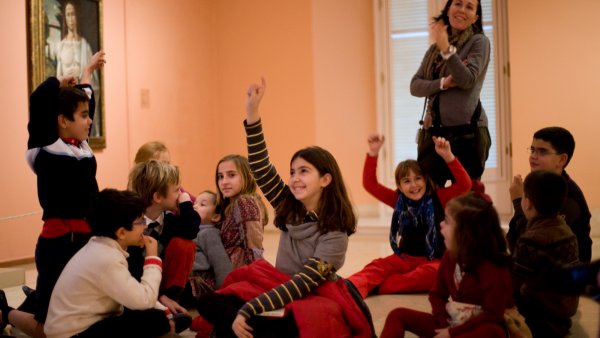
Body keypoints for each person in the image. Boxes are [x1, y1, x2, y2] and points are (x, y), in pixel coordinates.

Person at [193, 78, 373, 338]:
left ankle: (238, 328)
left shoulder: (336, 233)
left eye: (304, 171)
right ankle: (238, 327)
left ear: (325, 179)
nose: (295, 178)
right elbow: (260, 166)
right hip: (277, 283)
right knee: (209, 303)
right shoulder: (289, 203)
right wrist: (252, 113)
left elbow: (302, 284)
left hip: (311, 293)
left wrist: (248, 310)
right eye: (292, 172)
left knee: (306, 324)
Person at [0, 53, 105, 338]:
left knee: (73, 309)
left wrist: (87, 73)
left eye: (87, 115)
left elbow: (87, 102)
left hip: (85, 240)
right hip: (56, 244)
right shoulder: (45, 150)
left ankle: (28, 301)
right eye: (83, 116)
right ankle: (4, 312)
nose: (89, 120)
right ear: (62, 121)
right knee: (47, 321)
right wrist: (57, 82)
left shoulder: (82, 147)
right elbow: (38, 100)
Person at [348, 133, 471, 298]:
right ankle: (348, 288)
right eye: (407, 181)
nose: (413, 185)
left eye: (418, 179)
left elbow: (465, 184)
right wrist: (373, 153)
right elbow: (370, 184)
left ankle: (382, 286)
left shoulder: (439, 198)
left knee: (434, 275)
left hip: (432, 261)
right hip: (404, 258)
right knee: (377, 266)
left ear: (425, 181)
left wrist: (448, 156)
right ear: (399, 185)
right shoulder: (398, 199)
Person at [43, 189, 174, 338]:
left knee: (154, 316)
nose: (145, 226)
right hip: (74, 334)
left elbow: (130, 292)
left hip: (78, 327)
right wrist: (152, 257)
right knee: (154, 321)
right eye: (141, 221)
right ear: (122, 233)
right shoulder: (106, 259)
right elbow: (145, 300)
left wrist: (162, 309)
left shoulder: (99, 246)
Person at [380, 194, 513, 338]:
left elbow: (493, 314)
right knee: (398, 314)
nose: (441, 224)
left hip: (478, 328)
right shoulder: (450, 257)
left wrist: (452, 333)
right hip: (452, 323)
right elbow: (437, 294)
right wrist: (444, 324)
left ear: (465, 232)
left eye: (448, 221)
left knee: (494, 332)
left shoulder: (493, 267)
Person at [412, 0, 491, 187]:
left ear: (475, 18)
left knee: (466, 203)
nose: (462, 10)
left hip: (469, 134)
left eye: (469, 7)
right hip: (433, 134)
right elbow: (415, 86)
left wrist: (447, 50)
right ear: (449, 9)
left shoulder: (479, 42)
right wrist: (443, 83)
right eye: (458, 3)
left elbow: (466, 79)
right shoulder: (433, 50)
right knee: (431, 198)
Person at [128, 160, 200, 321]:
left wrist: (186, 205)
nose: (182, 194)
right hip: (137, 285)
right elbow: (131, 270)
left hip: (163, 284)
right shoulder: (131, 226)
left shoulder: (170, 219)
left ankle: (171, 299)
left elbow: (192, 229)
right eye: (177, 190)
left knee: (185, 244)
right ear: (158, 197)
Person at [507, 126, 592, 263]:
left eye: (542, 152)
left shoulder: (568, 198)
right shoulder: (540, 185)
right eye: (533, 150)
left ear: (562, 160)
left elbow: (529, 245)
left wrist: (518, 202)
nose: (533, 156)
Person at [511, 170, 579, 337]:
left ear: (527, 203)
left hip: (539, 321)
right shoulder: (566, 231)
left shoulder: (531, 239)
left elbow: (513, 283)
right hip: (563, 315)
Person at [55, 1, 102, 137]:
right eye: (68, 15)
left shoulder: (85, 46)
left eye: (73, 14)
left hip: (81, 101)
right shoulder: (61, 46)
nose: (71, 18)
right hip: (68, 103)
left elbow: (94, 87)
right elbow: (58, 83)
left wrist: (86, 72)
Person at [215, 154, 268, 268]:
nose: (224, 182)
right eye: (220, 176)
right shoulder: (230, 205)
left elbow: (254, 246)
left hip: (238, 273)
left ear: (247, 177)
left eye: (231, 175)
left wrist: (254, 278)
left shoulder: (245, 202)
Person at [188, 191, 232, 299]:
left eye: (202, 204)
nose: (195, 206)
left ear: (215, 217)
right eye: (195, 203)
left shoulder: (209, 233)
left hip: (199, 283)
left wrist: (222, 291)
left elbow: (221, 264)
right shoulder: (192, 231)